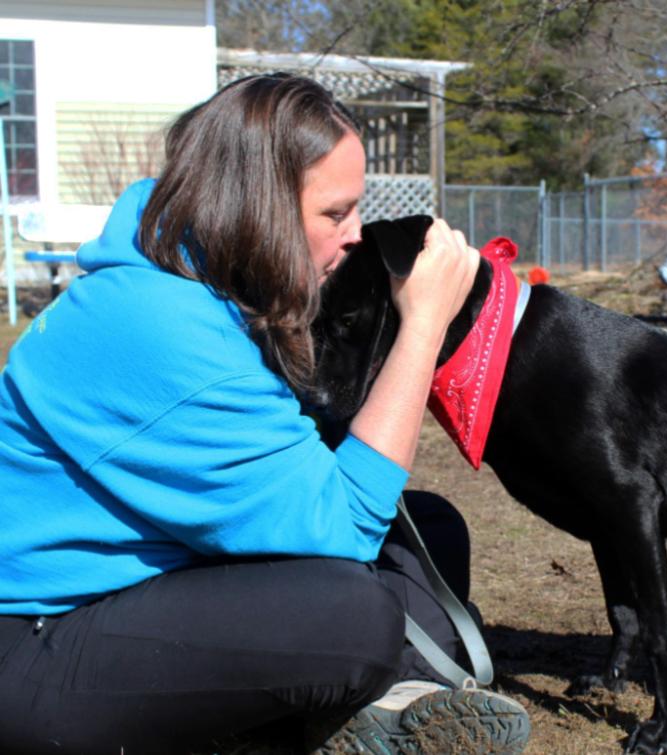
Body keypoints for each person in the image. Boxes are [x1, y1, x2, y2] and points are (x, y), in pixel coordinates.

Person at [0, 74, 531, 754]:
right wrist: (423, 327)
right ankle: (363, 705)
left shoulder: (189, 270)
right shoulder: (166, 328)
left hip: (129, 580)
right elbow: (339, 527)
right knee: (353, 616)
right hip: (35, 636)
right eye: (335, 214)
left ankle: (377, 707)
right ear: (262, 210)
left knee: (431, 527)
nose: (355, 234)